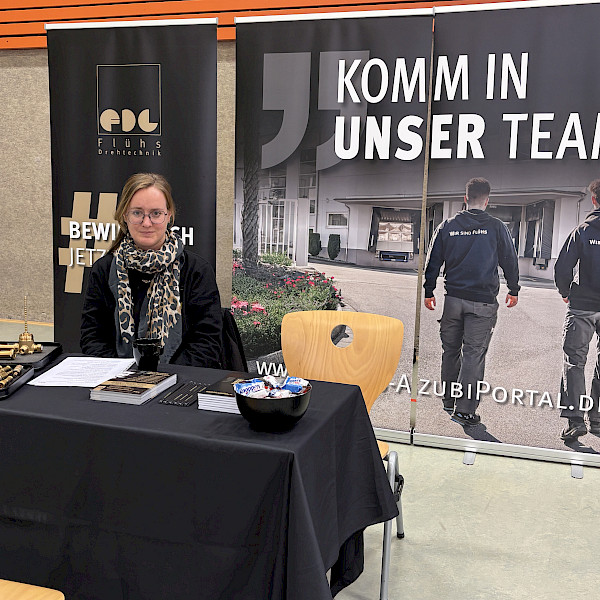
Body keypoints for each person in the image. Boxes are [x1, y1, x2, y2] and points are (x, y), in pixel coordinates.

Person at [80, 172, 223, 367]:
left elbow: (207, 344)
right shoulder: (103, 270)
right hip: (118, 379)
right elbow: (92, 337)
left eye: (156, 213)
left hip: (180, 378)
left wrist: (163, 376)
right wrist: (123, 375)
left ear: (168, 216)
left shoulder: (196, 271)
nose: (146, 223)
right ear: (125, 216)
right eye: (137, 213)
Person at [424, 177, 520, 426]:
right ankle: (464, 410)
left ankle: (449, 400)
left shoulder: (447, 226)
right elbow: (509, 260)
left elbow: (433, 261)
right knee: (473, 355)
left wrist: (429, 290)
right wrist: (513, 289)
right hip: (482, 303)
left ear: (465, 198)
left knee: (450, 352)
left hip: (453, 300)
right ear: (487, 201)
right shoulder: (496, 227)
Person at [555, 179, 600, 441]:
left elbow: (563, 267)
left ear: (593, 200)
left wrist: (565, 292)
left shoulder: (582, 231)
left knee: (574, 362)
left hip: (582, 306)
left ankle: (575, 421)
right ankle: (597, 418)